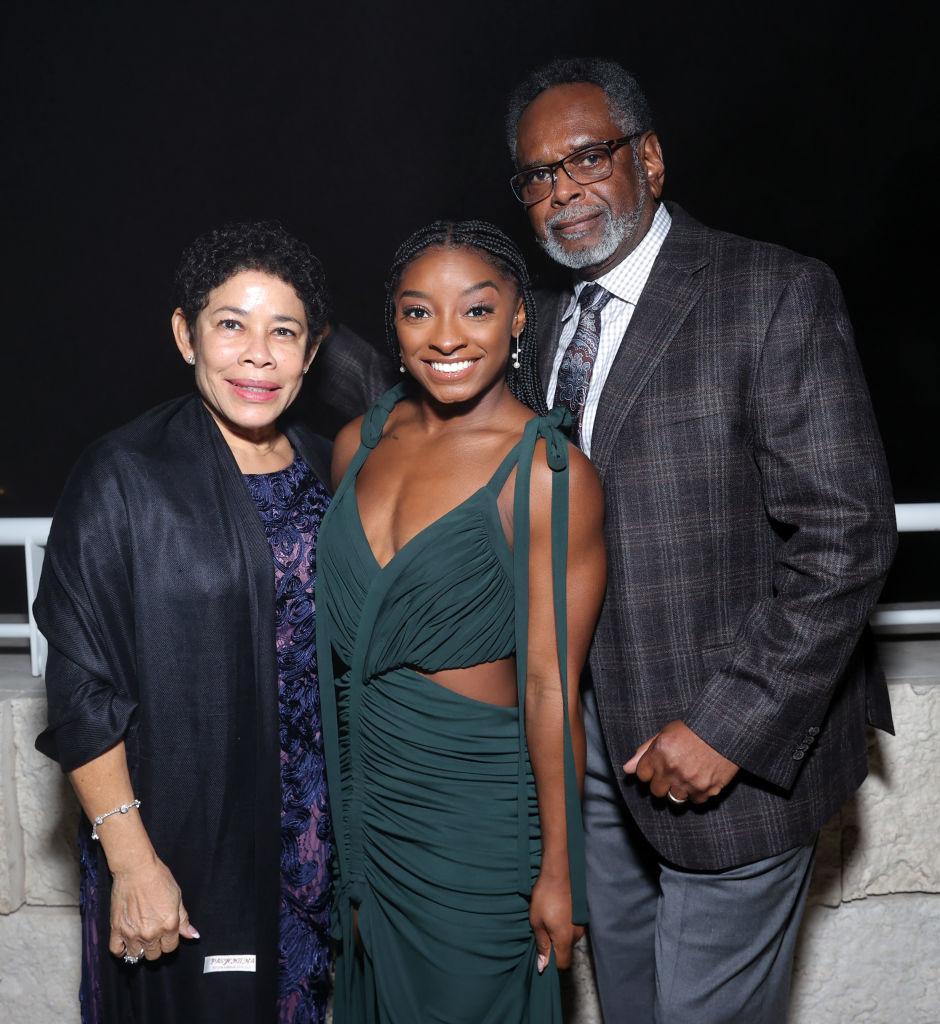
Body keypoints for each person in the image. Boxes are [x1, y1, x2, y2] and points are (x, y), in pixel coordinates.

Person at [504, 58, 897, 1023]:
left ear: (650, 158)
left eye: (587, 158)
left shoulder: (771, 292)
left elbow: (845, 535)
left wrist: (731, 723)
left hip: (726, 755)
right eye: (538, 175)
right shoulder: (538, 322)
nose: (564, 191)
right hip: (587, 755)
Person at [34, 221, 360, 1024]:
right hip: (183, 847)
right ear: (186, 334)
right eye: (230, 325)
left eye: (283, 331)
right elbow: (80, 691)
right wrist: (132, 861)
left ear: (311, 351)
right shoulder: (123, 474)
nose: (258, 354)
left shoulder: (335, 466)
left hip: (321, 852)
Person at [314, 219, 607, 1023]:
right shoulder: (357, 445)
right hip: (368, 810)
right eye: (418, 312)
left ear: (519, 316)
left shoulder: (548, 475)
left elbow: (552, 689)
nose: (445, 337)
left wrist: (560, 870)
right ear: (393, 322)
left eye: (476, 310)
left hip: (476, 825)